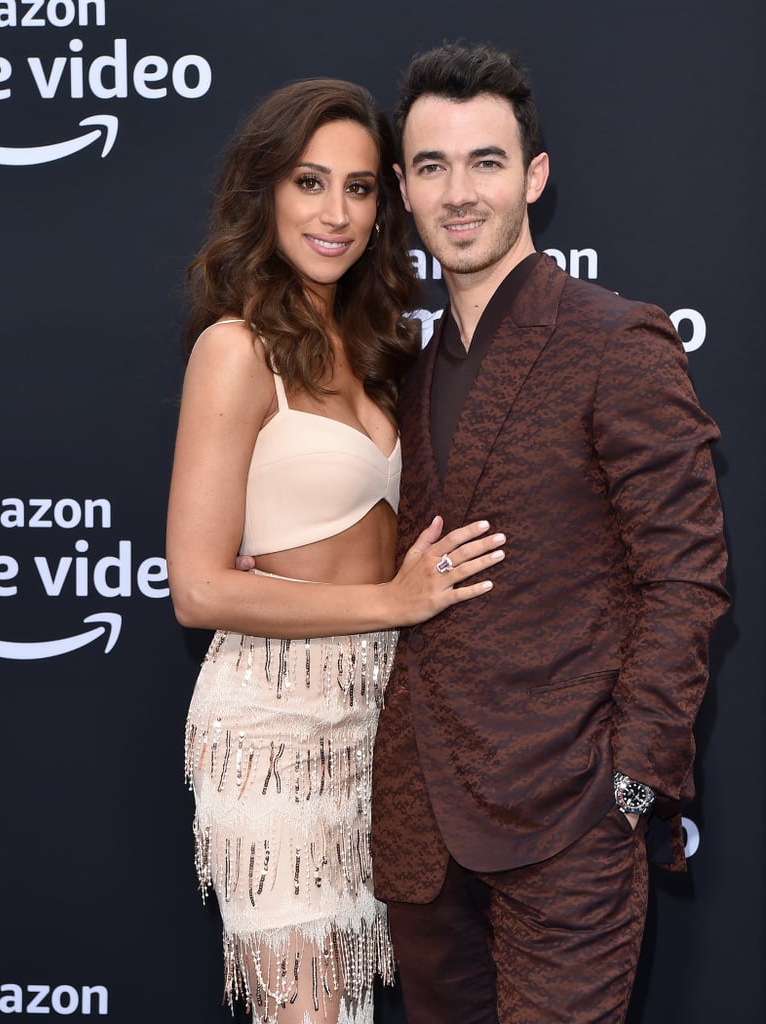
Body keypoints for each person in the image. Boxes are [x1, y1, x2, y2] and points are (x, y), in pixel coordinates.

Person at [369, 43, 730, 1024]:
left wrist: (630, 787)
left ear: (532, 175)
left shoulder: (615, 342)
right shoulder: (397, 370)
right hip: (419, 834)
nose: (459, 192)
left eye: (485, 161)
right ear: (402, 186)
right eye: (432, 166)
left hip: (569, 821)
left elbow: (684, 576)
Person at [165, 78, 504, 1024]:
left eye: (359, 188)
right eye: (310, 183)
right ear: (266, 190)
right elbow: (195, 587)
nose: (336, 213)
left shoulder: (376, 351)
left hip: (381, 727)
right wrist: (393, 603)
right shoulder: (236, 350)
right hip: (272, 727)